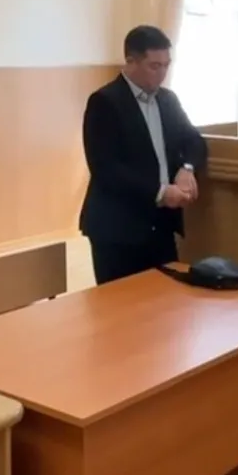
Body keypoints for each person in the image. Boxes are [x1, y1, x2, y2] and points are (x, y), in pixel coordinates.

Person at [79, 25, 207, 285]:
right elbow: (106, 168)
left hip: (160, 226)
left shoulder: (168, 100)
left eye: (166, 65)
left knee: (166, 298)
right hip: (118, 229)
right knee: (121, 303)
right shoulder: (105, 102)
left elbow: (194, 141)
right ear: (131, 62)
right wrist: (160, 192)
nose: (162, 73)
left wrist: (187, 168)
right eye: (154, 66)